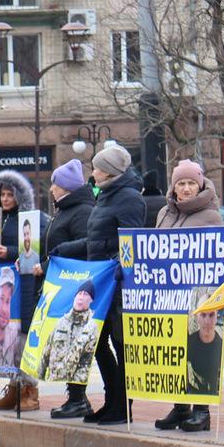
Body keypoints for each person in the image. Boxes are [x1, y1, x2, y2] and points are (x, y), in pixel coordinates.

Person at [154, 161, 223, 431]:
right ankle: (180, 408)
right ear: (173, 186)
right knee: (173, 348)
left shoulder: (210, 216)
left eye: (191, 183)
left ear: (201, 185)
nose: (185, 188)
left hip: (199, 295)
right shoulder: (164, 213)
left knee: (199, 349)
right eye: (180, 183)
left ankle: (201, 411)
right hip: (169, 294)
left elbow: (218, 251)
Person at [80, 144, 147, 425]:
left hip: (119, 286)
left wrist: (114, 264)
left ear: (108, 171)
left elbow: (132, 242)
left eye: (96, 167)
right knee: (97, 343)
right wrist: (64, 250)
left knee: (121, 346)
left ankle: (123, 405)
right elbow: (95, 238)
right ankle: (112, 399)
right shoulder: (104, 196)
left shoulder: (129, 197)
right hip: (101, 283)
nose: (92, 172)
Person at [0, 170, 44, 411]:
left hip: (25, 285)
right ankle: (14, 388)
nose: (6, 199)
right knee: (10, 338)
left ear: (20, 196)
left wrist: (9, 252)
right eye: (2, 194)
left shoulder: (28, 219)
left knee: (24, 338)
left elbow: (33, 249)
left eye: (10, 194)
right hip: (4, 284)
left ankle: (30, 391)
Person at [43, 159, 98, 418]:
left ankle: (78, 398)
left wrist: (53, 259)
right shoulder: (65, 209)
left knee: (78, 341)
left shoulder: (81, 211)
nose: (51, 188)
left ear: (64, 187)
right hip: (63, 284)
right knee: (67, 339)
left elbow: (84, 245)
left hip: (76, 286)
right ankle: (76, 396)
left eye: (55, 183)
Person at [39, 279, 102, 385]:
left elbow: (86, 362)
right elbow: (46, 351)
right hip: (52, 382)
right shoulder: (62, 322)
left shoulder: (91, 327)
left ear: (91, 300)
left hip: (75, 384)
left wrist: (75, 389)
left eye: (85, 294)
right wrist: (40, 377)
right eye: (79, 293)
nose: (81, 297)